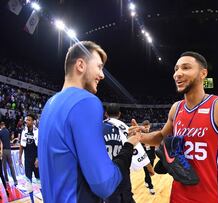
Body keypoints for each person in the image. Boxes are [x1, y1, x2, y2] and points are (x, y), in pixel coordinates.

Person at [130, 51, 218, 203]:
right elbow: (160, 137)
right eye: (176, 69)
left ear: (203, 73)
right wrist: (140, 137)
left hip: (211, 198)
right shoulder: (176, 108)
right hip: (177, 197)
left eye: (185, 68)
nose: (177, 73)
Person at [38, 41, 140, 202]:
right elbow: (105, 184)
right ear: (80, 65)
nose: (102, 75)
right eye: (99, 67)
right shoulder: (86, 102)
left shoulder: (50, 105)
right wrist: (128, 146)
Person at [103, 104, 150, 203]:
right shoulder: (125, 128)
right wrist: (150, 169)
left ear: (106, 114)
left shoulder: (97, 128)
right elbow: (137, 150)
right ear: (119, 114)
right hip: (122, 176)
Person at [19, 114, 41, 203]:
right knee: (28, 182)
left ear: (33, 121)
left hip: (35, 160)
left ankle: (44, 198)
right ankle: (32, 201)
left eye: (28, 120)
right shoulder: (23, 131)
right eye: (26, 120)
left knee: (39, 180)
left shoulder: (37, 131)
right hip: (27, 160)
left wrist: (38, 158)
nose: (26, 121)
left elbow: (40, 146)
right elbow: (21, 145)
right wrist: (19, 158)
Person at [0, 121, 18, 186]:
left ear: (1, 126)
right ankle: (15, 180)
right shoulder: (8, 131)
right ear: (4, 125)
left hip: (3, 151)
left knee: (4, 167)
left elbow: (1, 143)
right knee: (11, 166)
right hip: (9, 150)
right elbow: (11, 140)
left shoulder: (0, 132)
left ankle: (7, 181)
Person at [141, 120, 156, 195]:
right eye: (145, 127)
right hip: (144, 156)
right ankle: (151, 187)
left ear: (149, 126)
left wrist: (150, 144)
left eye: (147, 127)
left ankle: (146, 180)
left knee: (150, 172)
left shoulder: (152, 134)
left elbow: (156, 143)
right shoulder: (141, 135)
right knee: (147, 172)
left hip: (152, 155)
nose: (146, 128)